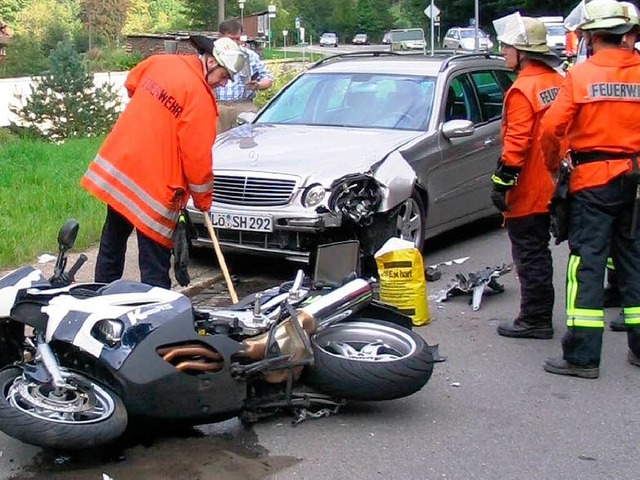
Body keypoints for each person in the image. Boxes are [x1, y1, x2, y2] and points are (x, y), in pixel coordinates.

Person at [80, 36, 246, 289]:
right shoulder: (200, 99)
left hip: (120, 169)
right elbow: (197, 158)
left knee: (112, 241)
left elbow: (132, 84)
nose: (223, 83)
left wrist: (157, 112)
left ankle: (99, 295)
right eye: (223, 76)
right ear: (210, 61)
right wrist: (203, 201)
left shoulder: (160, 62)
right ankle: (157, 313)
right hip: (154, 187)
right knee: (154, 258)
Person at [539, 0, 640, 379]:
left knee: (587, 264)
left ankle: (582, 356)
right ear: (628, 35)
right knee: (634, 260)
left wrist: (554, 166)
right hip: (635, 180)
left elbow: (552, 129)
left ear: (592, 36)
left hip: (593, 181)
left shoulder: (581, 76)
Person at [490, 14, 564, 340]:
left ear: (523, 52)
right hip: (554, 184)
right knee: (540, 251)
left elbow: (517, 145)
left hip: (530, 189)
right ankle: (538, 314)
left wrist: (500, 184)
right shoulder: (556, 81)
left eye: (506, 46)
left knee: (530, 252)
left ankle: (535, 318)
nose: (502, 51)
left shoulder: (522, 89)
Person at [215, 19, 273, 133]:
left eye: (237, 39)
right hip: (217, 107)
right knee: (216, 144)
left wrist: (257, 85)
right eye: (231, 39)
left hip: (244, 105)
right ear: (220, 36)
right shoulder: (212, 56)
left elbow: (268, 79)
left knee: (246, 143)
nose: (235, 43)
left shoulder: (249, 55)